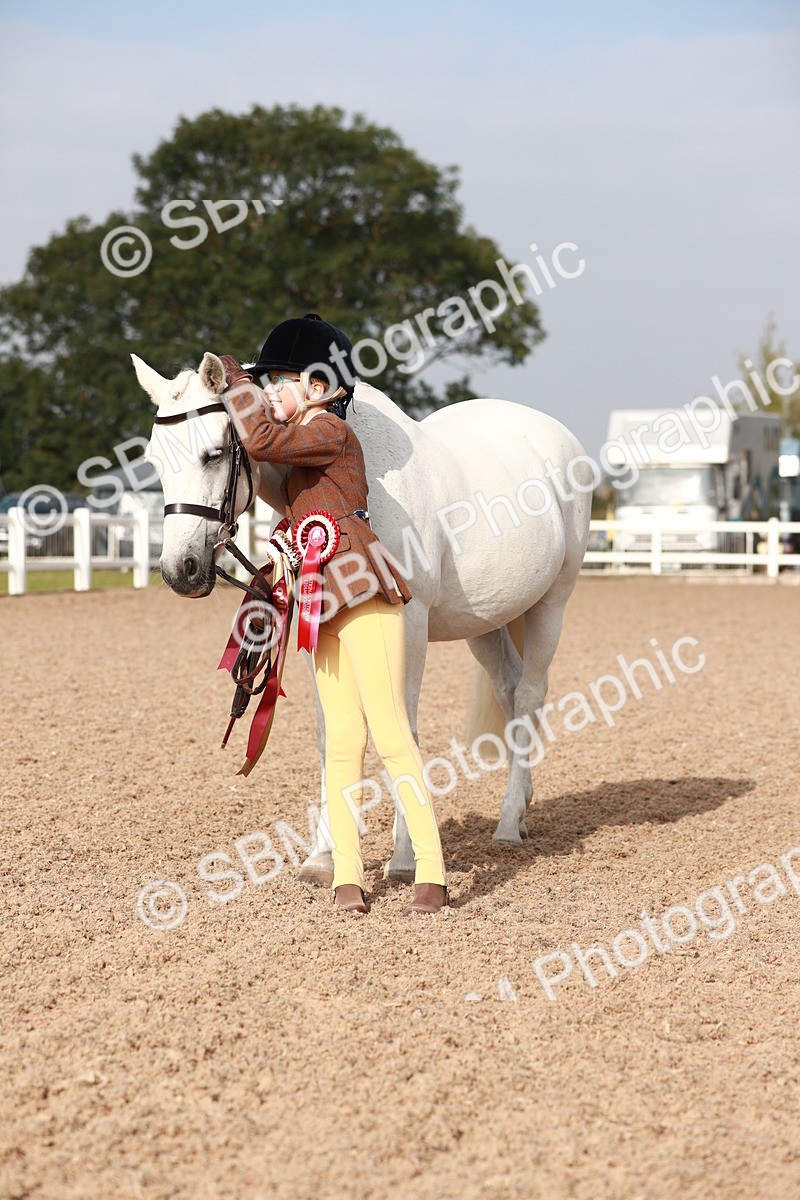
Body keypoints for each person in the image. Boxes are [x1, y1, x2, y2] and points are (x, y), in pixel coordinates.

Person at [219, 314, 447, 916]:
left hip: (364, 596)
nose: (269, 390)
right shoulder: (302, 457)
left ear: (323, 389)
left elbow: (263, 441)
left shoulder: (332, 435)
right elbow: (270, 473)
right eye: (265, 381)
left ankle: (432, 867)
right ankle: (349, 874)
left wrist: (235, 381)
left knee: (391, 733)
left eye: (280, 380)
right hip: (321, 603)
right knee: (342, 741)